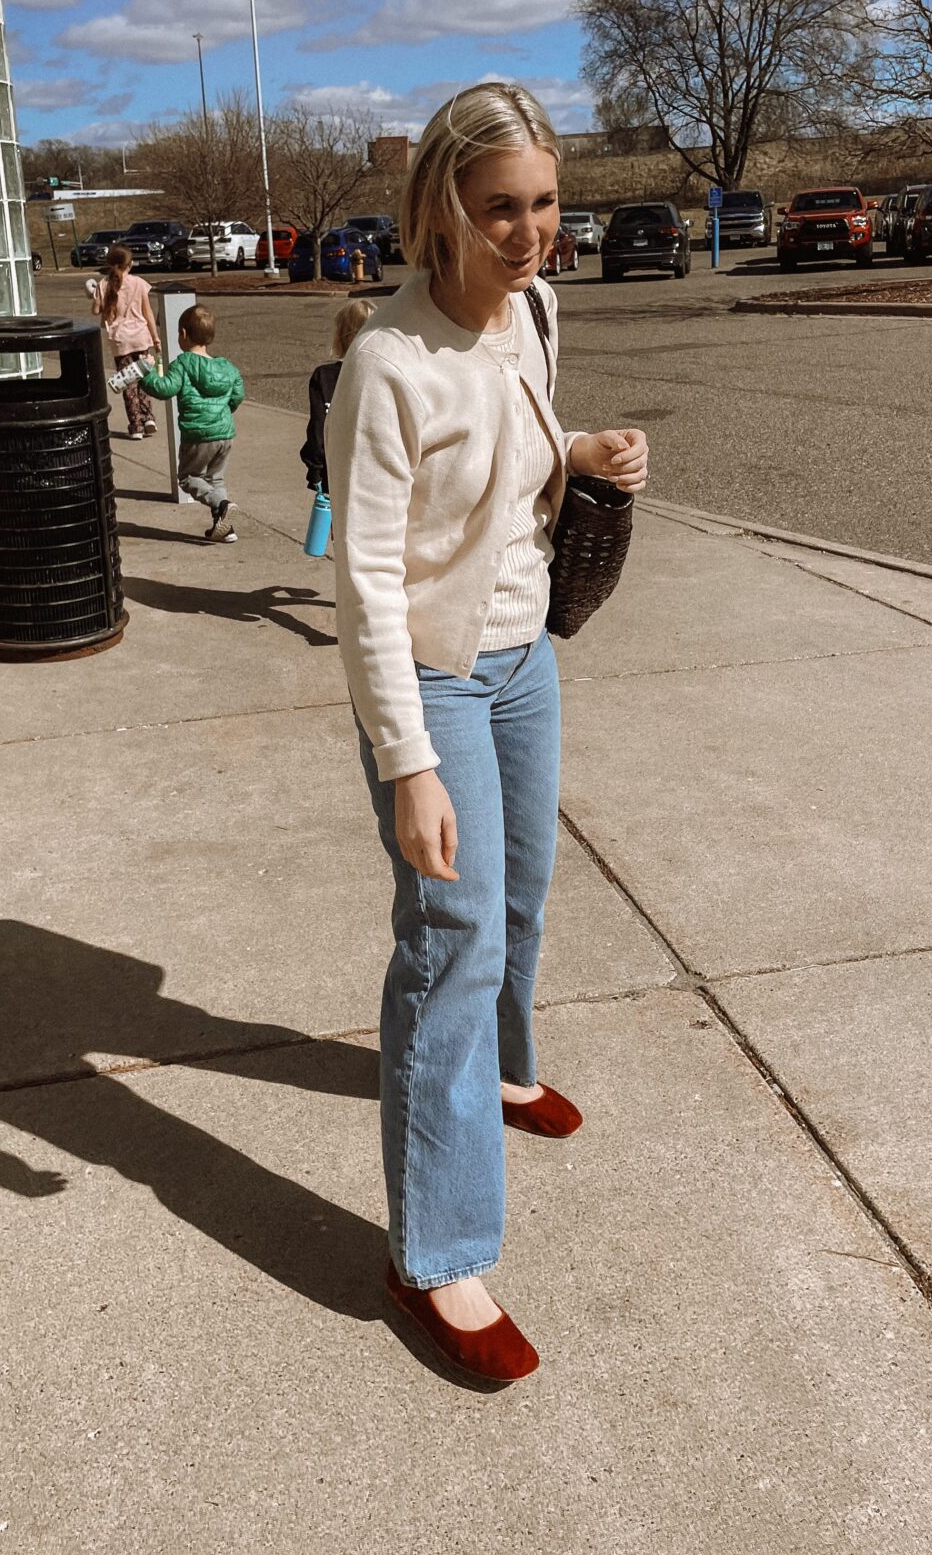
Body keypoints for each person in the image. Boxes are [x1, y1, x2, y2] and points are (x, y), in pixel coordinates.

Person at [326, 83, 648, 1384]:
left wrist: (583, 450)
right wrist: (406, 761)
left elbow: (515, 457)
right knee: (449, 937)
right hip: (433, 678)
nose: (530, 234)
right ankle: (438, 1256)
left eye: (545, 204)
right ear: (443, 211)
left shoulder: (537, 312)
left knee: (522, 897)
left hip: (525, 660)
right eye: (500, 209)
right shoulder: (386, 366)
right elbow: (360, 581)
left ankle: (506, 1078)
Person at [137, 304, 245, 543]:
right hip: (225, 433)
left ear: (183, 334)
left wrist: (146, 374)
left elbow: (165, 389)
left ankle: (222, 504)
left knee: (188, 477)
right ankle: (225, 527)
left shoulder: (183, 363)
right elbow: (238, 393)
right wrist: (223, 413)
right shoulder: (226, 367)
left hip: (198, 435)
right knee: (215, 479)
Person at [300, 298, 375, 496]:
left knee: (340, 525)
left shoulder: (324, 377)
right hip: (375, 472)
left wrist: (315, 468)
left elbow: (319, 428)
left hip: (335, 472)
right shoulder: (382, 374)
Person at [90, 245, 159, 441]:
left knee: (127, 381)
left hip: (120, 340)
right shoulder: (138, 283)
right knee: (144, 377)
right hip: (140, 336)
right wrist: (155, 337)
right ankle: (148, 418)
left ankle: (135, 424)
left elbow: (96, 311)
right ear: (129, 265)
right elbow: (148, 313)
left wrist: (94, 295)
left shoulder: (103, 285)